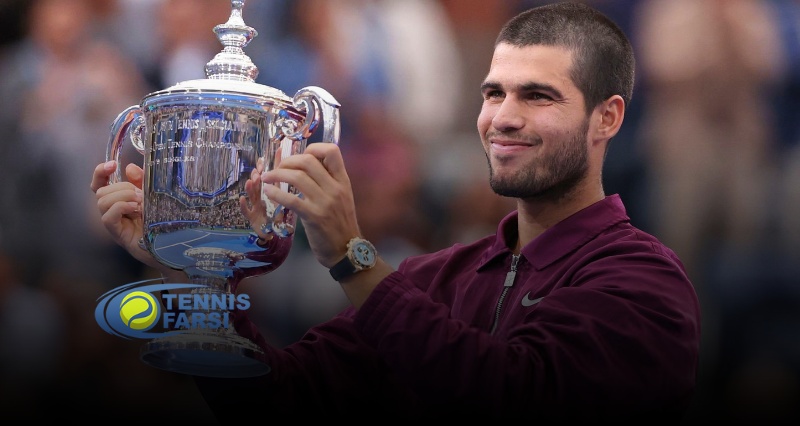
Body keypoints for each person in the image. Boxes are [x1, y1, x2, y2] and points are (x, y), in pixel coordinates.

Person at [90, 2, 700, 422]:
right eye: (494, 93)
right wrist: (197, 268)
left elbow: (510, 396)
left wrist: (351, 256)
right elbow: (278, 400)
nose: (504, 118)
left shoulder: (645, 283)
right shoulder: (432, 280)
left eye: (538, 96)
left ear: (607, 117)